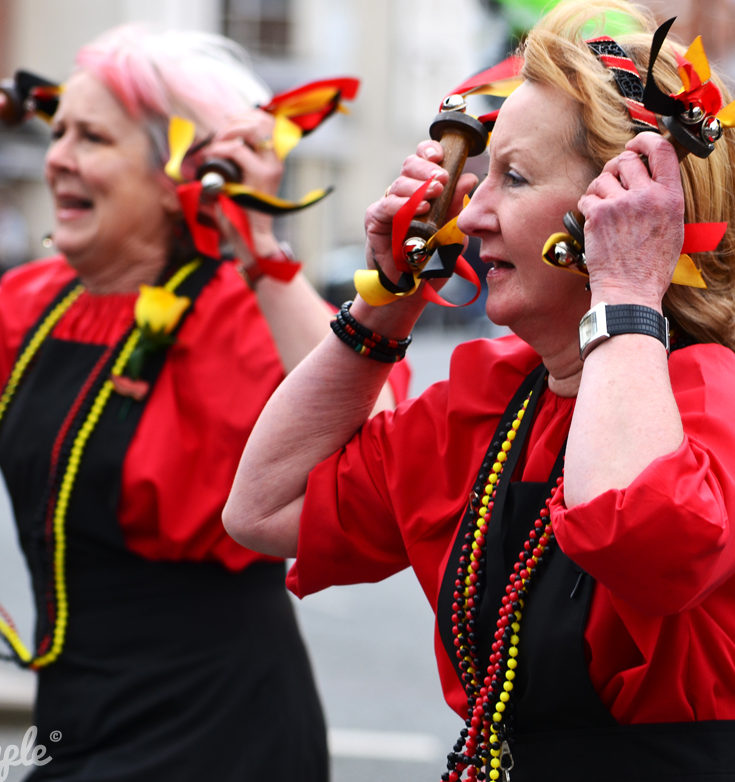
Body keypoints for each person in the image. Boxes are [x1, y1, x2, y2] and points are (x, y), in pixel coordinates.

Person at [224, 0, 735, 778]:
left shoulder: (712, 393)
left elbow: (641, 545)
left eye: (514, 177)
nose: (471, 212)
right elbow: (263, 508)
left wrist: (627, 287)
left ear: (617, 205)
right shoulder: (494, 398)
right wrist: (387, 301)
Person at [0, 22, 408, 782]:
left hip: (219, 731)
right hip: (72, 716)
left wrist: (260, 249)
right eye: (57, 132)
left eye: (91, 137)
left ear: (177, 176)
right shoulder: (29, 302)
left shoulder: (243, 313)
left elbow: (386, 452)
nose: (56, 157)